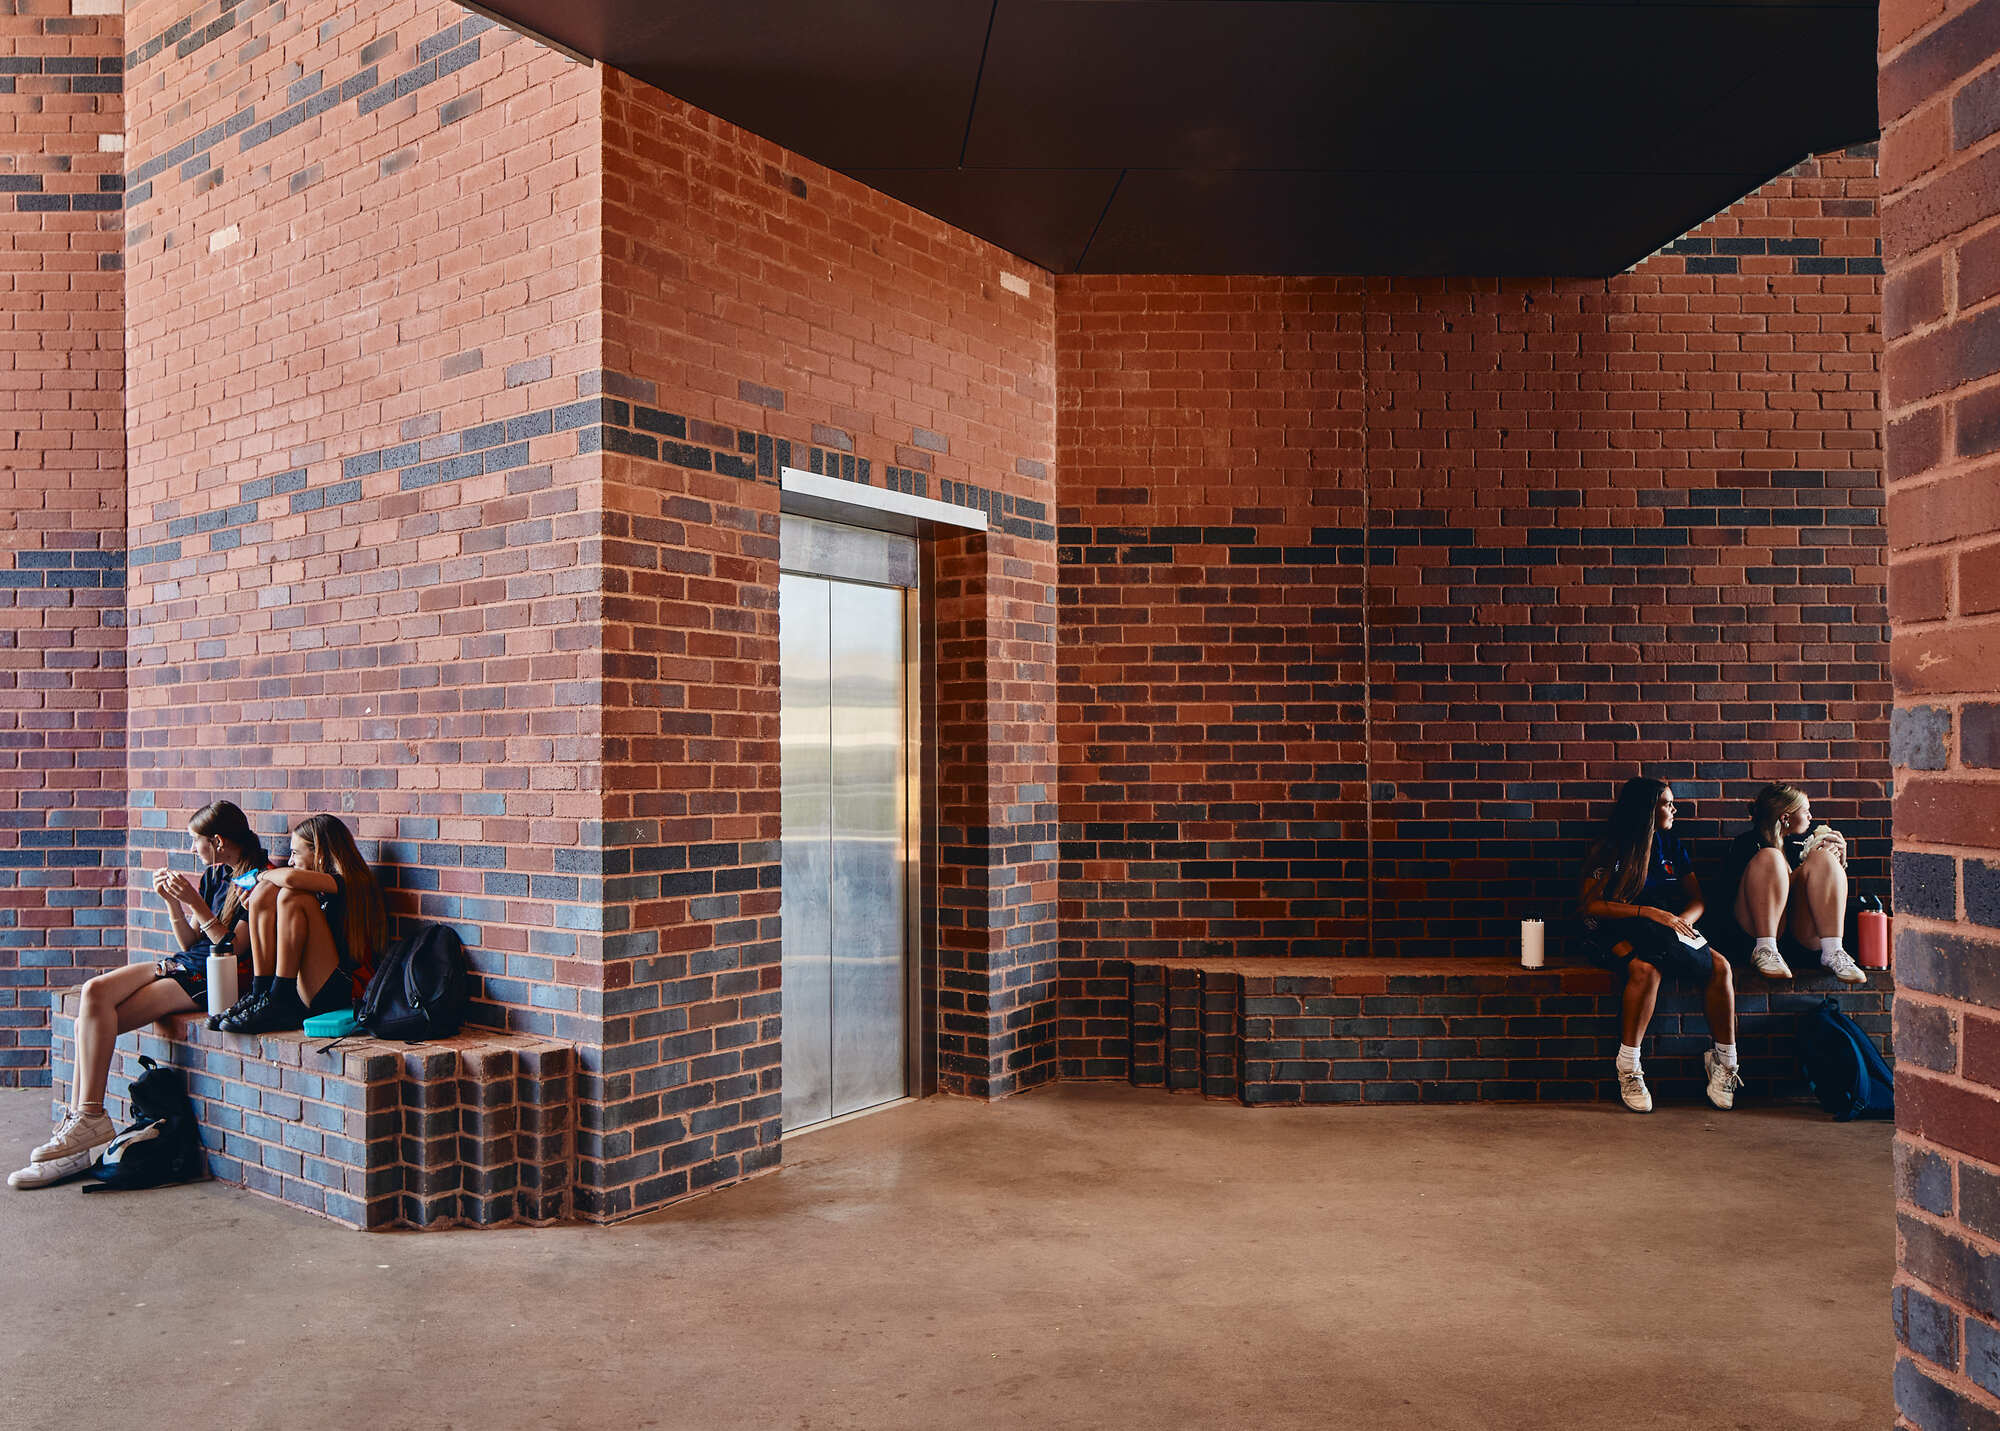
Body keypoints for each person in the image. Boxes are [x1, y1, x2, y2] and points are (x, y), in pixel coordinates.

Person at [22, 800, 269, 1171]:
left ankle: (81, 1131)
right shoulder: (217, 874)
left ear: (217, 840)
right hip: (190, 964)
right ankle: (81, 1126)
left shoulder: (259, 878)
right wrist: (173, 904)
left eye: (195, 841)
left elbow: (230, 949)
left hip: (219, 978)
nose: (191, 849)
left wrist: (195, 904)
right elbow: (192, 944)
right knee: (94, 997)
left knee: (95, 1016)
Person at [1578, 776, 1741, 1115]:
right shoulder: (1612, 848)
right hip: (1615, 931)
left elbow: (1698, 900)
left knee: (1720, 967)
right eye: (1666, 803)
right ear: (1647, 810)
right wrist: (1651, 913)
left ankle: (1724, 1063)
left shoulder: (1670, 845)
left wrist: (1681, 923)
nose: (1673, 809)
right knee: (1645, 969)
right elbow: (1590, 906)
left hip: (1667, 930)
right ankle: (1629, 1068)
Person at [216, 813, 384, 1035]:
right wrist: (255, 905)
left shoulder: (349, 881)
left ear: (321, 854)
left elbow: (291, 879)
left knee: (291, 896)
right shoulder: (318, 884)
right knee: (265, 893)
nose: (291, 861)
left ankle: (278, 999)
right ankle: (260, 993)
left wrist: (259, 876)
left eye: (295, 853)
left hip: (342, 990)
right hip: (307, 985)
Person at [1715, 783, 1866, 985]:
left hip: (1798, 936)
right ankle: (1765, 949)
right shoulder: (1745, 844)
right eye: (1806, 811)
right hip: (1754, 934)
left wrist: (1838, 863)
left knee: (1822, 858)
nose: (1811, 817)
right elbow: (1727, 900)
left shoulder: (1798, 847)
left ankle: (1833, 951)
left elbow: (1805, 891)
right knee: (1771, 856)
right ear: (1786, 818)